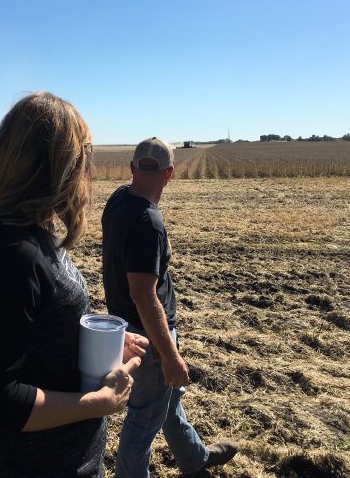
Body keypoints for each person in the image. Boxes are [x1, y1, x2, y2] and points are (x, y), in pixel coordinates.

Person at [0, 92, 148, 478]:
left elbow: (33, 333)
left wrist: (95, 343)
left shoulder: (33, 232)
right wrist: (95, 402)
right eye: (84, 157)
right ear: (60, 166)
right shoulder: (14, 254)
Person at [102, 137, 237, 478]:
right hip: (148, 337)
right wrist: (171, 355)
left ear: (132, 168)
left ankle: (195, 458)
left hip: (126, 325)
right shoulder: (149, 223)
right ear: (170, 173)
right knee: (143, 420)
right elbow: (143, 295)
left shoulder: (118, 200)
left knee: (169, 401)